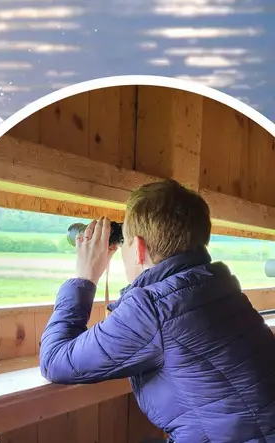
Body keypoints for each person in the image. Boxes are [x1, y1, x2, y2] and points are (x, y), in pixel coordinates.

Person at [39, 179, 275, 443]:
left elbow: (54, 361)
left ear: (138, 249)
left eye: (125, 242)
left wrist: (84, 278)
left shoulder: (154, 308)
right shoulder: (217, 286)